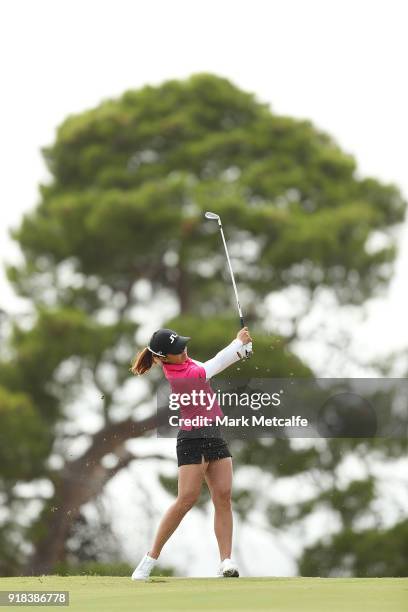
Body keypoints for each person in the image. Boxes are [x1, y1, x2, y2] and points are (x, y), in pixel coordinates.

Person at [130, 326, 253, 580]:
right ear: (164, 358)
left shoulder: (185, 363)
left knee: (223, 496)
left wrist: (242, 352)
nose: (184, 350)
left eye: (182, 345)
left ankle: (226, 561)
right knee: (186, 499)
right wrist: (236, 343)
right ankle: (149, 559)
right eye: (177, 350)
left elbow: (215, 363)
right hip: (191, 440)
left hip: (214, 435)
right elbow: (213, 365)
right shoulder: (182, 376)